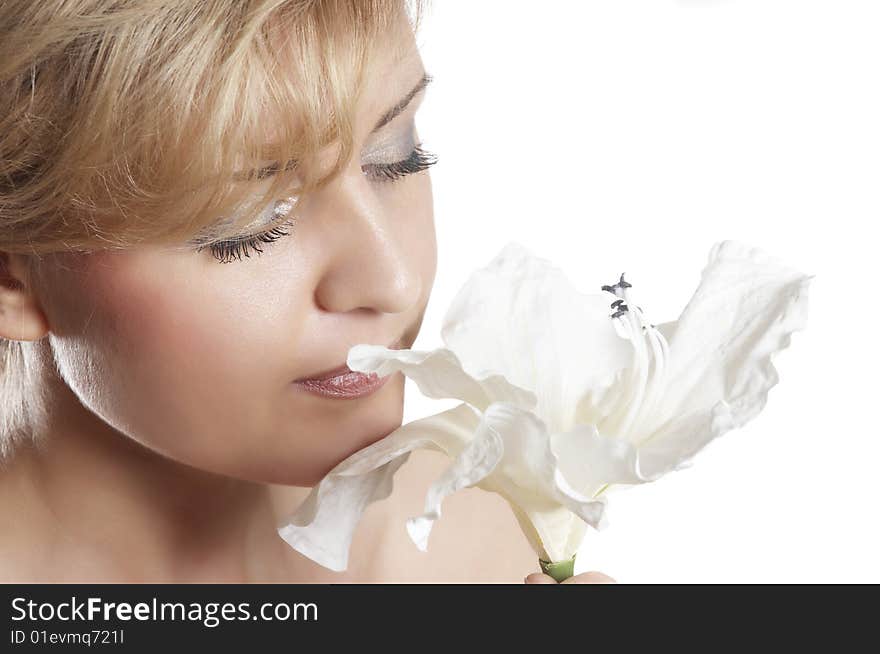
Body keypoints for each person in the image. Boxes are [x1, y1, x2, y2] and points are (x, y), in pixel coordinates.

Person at [0, 0, 613, 584]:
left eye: (395, 157)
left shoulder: (480, 547)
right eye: (248, 218)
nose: (392, 280)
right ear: (10, 272)